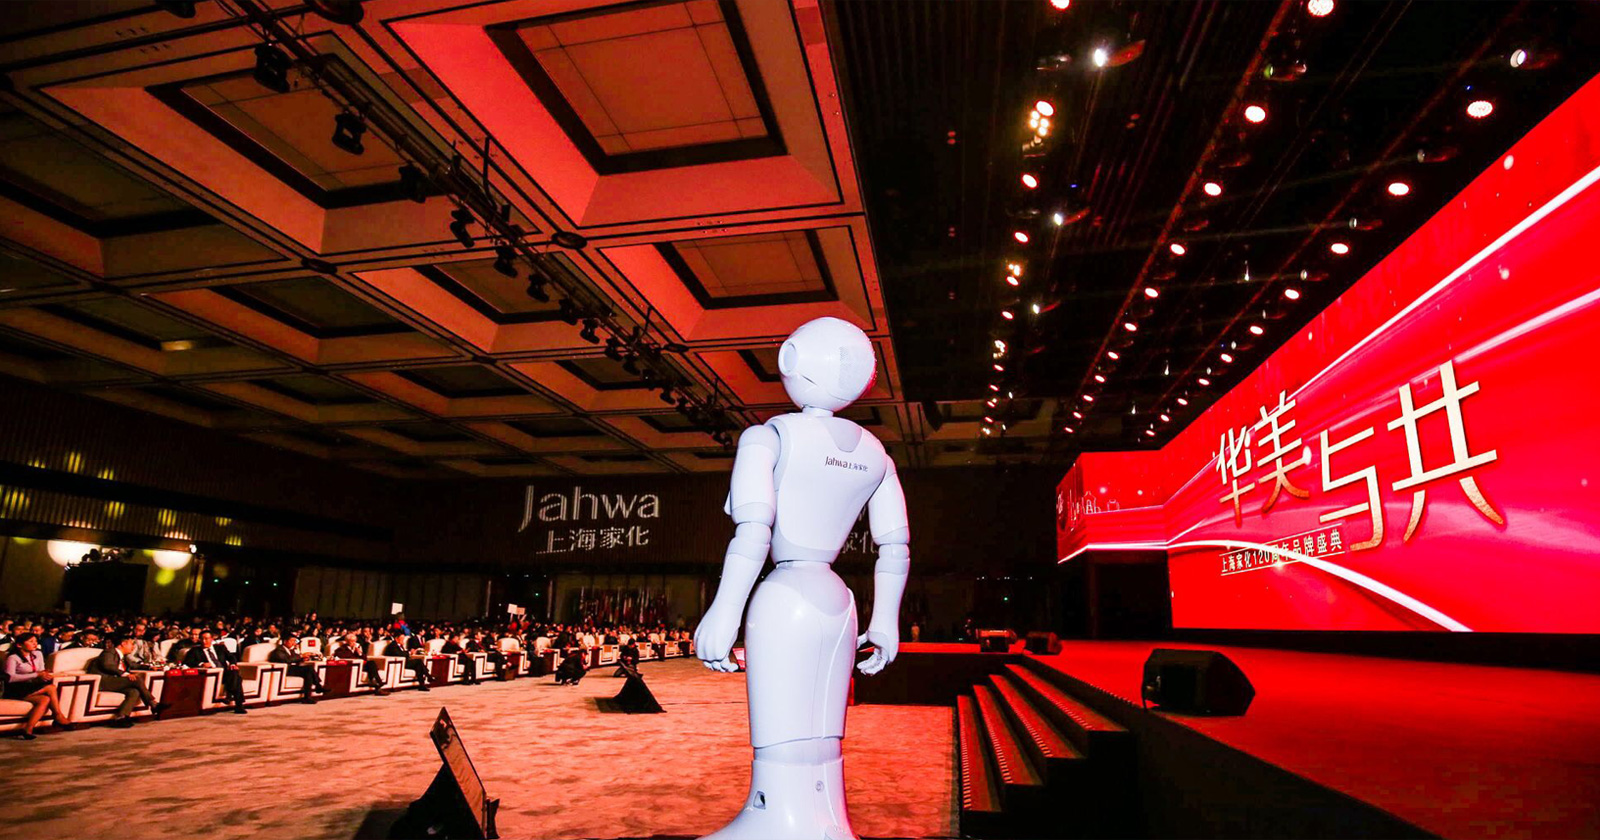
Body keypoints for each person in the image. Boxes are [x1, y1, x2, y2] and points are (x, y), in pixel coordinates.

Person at [4, 633, 74, 739]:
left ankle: (28, 729)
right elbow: (10, 678)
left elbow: (41, 670)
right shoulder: (13, 658)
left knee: (45, 700)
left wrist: (44, 675)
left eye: (36, 641)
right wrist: (36, 675)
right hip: (16, 688)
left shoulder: (38, 654)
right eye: (31, 641)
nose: (35, 644)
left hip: (32, 685)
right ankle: (58, 715)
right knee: (51, 688)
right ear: (19, 645)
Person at [88, 636, 169, 727]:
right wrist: (125, 674)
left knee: (134, 691)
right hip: (103, 682)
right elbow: (107, 665)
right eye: (132, 644)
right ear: (123, 643)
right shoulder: (109, 652)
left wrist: (150, 668)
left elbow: (134, 666)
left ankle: (121, 718)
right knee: (136, 679)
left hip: (115, 681)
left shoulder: (123, 657)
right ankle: (153, 704)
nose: (133, 647)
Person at [183, 631, 247, 713]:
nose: (204, 641)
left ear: (211, 639)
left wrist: (232, 664)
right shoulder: (195, 650)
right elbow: (187, 662)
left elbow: (231, 657)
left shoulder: (220, 648)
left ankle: (230, 696)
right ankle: (237, 704)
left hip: (225, 673)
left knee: (234, 672)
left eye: (206, 639)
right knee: (237, 679)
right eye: (202, 639)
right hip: (213, 675)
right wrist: (201, 664)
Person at [268, 634, 324, 703]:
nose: (293, 643)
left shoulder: (290, 650)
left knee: (308, 672)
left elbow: (295, 658)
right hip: (284, 670)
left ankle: (308, 697)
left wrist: (303, 659)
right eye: (292, 641)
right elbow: (288, 660)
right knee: (309, 669)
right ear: (285, 641)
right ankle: (318, 686)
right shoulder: (278, 651)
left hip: (292, 669)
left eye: (294, 641)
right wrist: (301, 656)